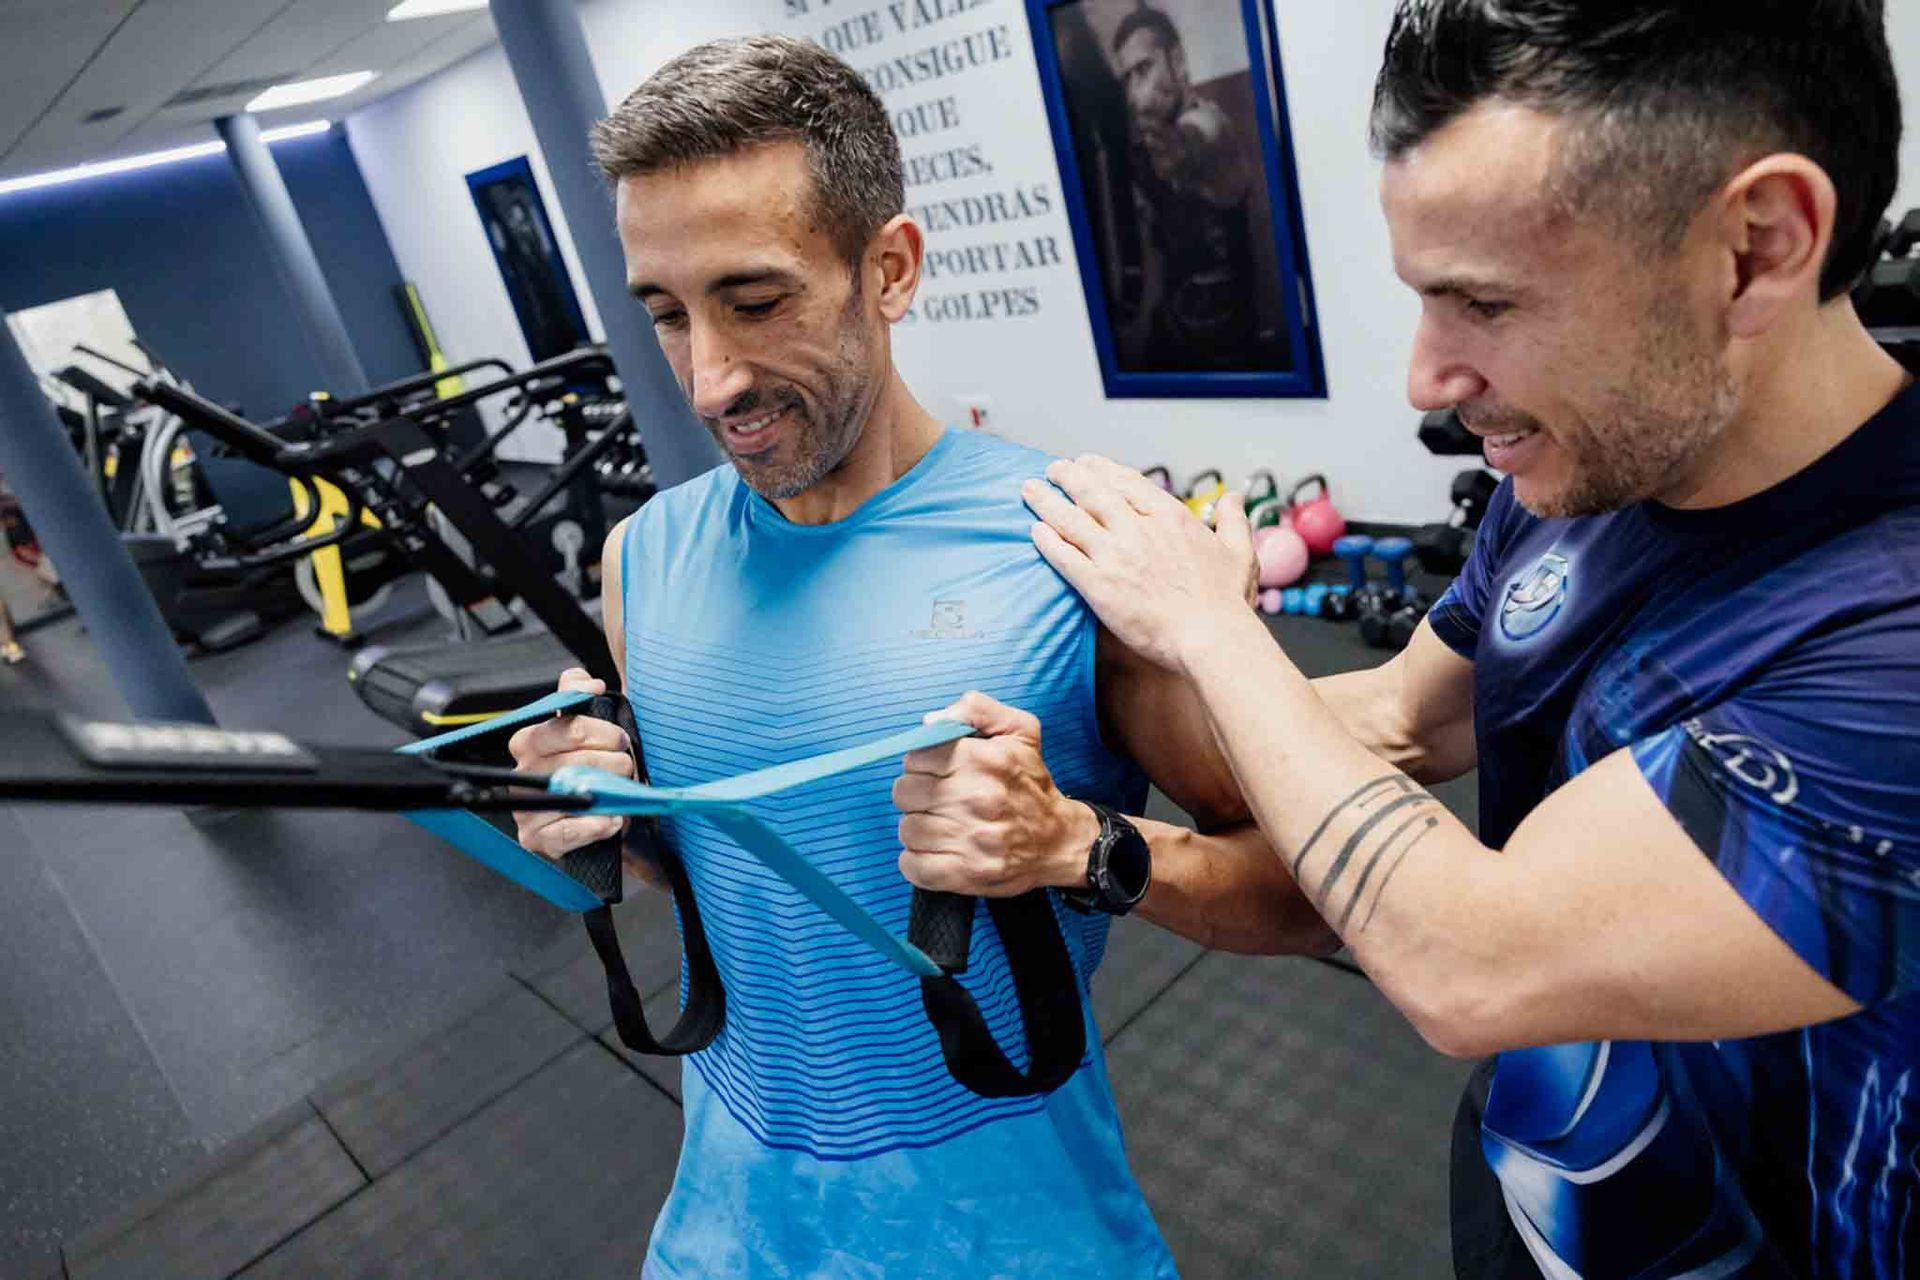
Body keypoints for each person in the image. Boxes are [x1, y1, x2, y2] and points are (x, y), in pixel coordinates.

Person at [908, 2, 1919, 1276]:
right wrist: (1073, 787)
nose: (1425, 377)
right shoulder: (1578, 479)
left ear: (1756, 248)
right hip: (1540, 1184)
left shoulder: (1892, 643)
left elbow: (1468, 955)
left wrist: (1210, 622)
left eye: (1483, 302)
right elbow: (1394, 718)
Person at [506, 35, 1330, 1280]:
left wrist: (1081, 846)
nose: (711, 377)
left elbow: (1303, 895)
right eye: (668, 315)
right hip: (727, 1235)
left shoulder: (1076, 545)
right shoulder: (643, 558)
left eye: (757, 299)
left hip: (1017, 1235)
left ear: (889, 269)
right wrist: (600, 826)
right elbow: (738, 884)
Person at [1109, 3, 1277, 370]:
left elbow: (1189, 145)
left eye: (1144, 69)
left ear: (1178, 61)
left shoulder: (1210, 125)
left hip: (1228, 349)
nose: (1135, 92)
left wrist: (1164, 147)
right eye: (1127, 79)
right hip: (1176, 329)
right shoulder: (1152, 138)